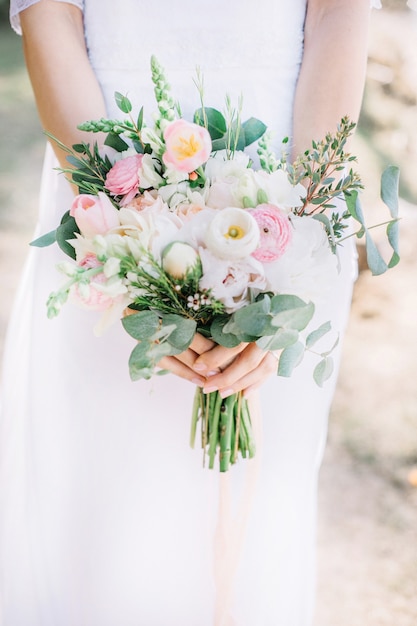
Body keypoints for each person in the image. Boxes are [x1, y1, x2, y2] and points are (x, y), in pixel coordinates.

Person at [1, 1, 374, 624]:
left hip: (287, 191)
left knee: (257, 527)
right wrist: (130, 249)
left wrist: (296, 241)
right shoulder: (112, 221)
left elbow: (339, 13)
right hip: (100, 178)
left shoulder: (296, 231)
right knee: (104, 512)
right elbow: (51, 14)